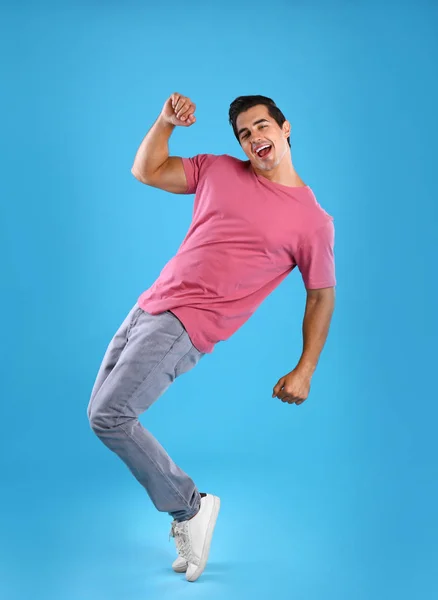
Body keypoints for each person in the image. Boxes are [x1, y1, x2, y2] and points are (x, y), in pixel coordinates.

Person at [87, 92, 336, 583]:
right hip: (148, 304)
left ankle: (189, 507)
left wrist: (305, 368)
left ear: (285, 129)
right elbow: (148, 170)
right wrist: (164, 122)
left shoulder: (313, 222)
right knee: (101, 412)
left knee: (109, 416)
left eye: (262, 127)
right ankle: (190, 507)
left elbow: (321, 297)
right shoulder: (219, 169)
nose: (254, 139)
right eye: (244, 134)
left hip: (186, 324)